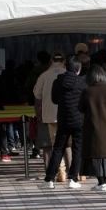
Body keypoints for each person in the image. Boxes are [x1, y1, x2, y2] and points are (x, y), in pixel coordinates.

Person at [41, 54, 87, 189]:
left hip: (63, 119)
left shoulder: (58, 81)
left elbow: (54, 100)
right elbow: (85, 102)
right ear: (78, 69)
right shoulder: (82, 83)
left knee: (58, 148)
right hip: (78, 120)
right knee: (77, 149)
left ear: (66, 67)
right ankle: (73, 179)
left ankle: (49, 180)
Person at [79, 66, 106, 192]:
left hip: (92, 128)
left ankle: (101, 182)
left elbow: (80, 108)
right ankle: (104, 181)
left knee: (95, 156)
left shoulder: (87, 92)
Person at [33, 53, 69, 181]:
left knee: (47, 146)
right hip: (66, 115)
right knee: (67, 145)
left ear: (51, 61)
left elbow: (37, 96)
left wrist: (38, 113)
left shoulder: (44, 75)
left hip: (47, 115)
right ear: (64, 61)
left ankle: (50, 174)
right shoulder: (69, 74)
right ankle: (68, 173)